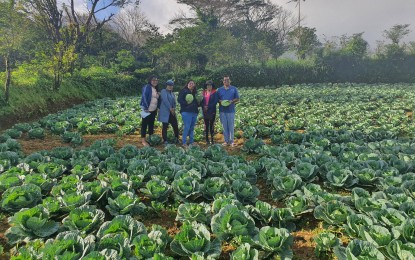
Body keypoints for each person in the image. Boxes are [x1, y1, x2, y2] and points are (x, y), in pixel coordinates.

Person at [217, 75, 240, 147]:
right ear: (223, 81)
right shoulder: (219, 89)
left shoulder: (234, 89)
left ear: (230, 81)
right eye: (225, 80)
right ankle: (226, 141)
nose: (226, 81)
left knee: (231, 126)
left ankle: (232, 141)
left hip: (231, 110)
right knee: (224, 126)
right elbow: (217, 99)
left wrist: (231, 101)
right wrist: (220, 101)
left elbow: (237, 98)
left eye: (227, 80)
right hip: (222, 111)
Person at [178, 80, 200, 147]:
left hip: (194, 112)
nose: (191, 84)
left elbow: (197, 103)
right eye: (190, 83)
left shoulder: (195, 93)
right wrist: (186, 103)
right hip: (186, 111)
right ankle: (184, 142)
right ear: (187, 84)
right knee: (187, 127)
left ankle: (191, 142)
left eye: (192, 83)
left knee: (192, 127)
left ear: (194, 85)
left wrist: (200, 102)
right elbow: (179, 99)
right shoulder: (184, 91)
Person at [140, 75, 160, 146]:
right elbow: (144, 96)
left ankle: (151, 138)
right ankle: (143, 140)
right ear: (150, 80)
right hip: (147, 109)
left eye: (156, 80)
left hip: (153, 110)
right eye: (153, 80)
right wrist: (146, 108)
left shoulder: (155, 88)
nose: (155, 81)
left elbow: (156, 99)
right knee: (144, 125)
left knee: (151, 124)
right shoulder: (147, 87)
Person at [158, 80, 179, 144]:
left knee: (175, 125)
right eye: (169, 85)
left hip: (172, 112)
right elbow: (165, 100)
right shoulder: (163, 91)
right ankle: (165, 140)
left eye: (171, 85)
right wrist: (170, 108)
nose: (170, 86)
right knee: (165, 126)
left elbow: (174, 102)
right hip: (165, 112)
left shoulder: (172, 93)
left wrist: (174, 108)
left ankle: (177, 138)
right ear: (166, 85)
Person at [201, 80, 219, 145]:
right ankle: (207, 139)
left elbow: (215, 102)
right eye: (208, 85)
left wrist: (208, 106)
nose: (209, 86)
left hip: (212, 111)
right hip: (205, 111)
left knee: (211, 125)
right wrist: (204, 106)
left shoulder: (215, 93)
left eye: (210, 85)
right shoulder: (203, 93)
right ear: (206, 86)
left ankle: (212, 139)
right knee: (206, 125)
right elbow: (201, 102)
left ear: (212, 86)